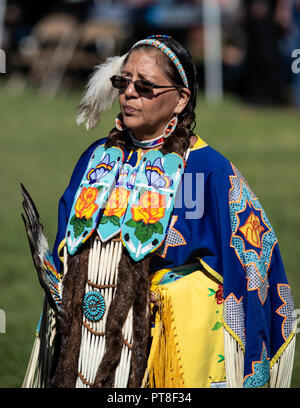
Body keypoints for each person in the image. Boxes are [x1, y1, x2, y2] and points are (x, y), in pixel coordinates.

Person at [22, 34, 295, 389]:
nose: (130, 93)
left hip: (162, 354)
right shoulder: (95, 161)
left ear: (181, 99)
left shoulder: (207, 170)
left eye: (146, 86)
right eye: (124, 82)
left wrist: (167, 292)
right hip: (86, 348)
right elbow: (65, 246)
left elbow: (253, 266)